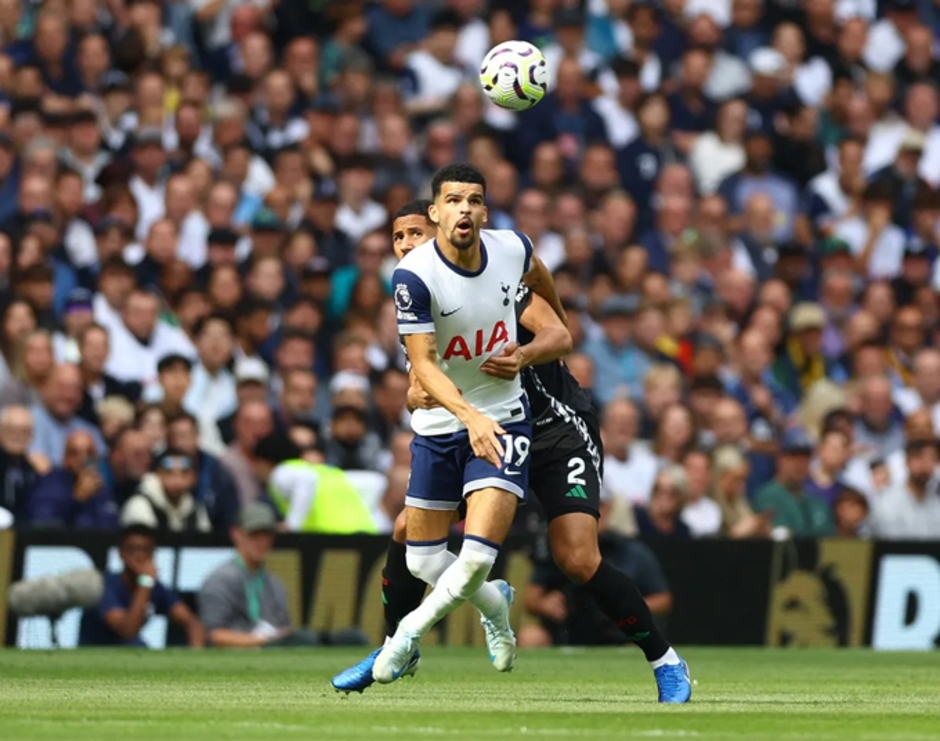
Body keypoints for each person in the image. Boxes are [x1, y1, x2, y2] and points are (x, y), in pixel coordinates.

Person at [336, 193, 690, 701]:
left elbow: (558, 333)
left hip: (553, 427)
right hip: (485, 427)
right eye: (398, 237)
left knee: (577, 557)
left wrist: (521, 356)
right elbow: (418, 387)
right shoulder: (416, 295)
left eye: (415, 233)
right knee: (406, 531)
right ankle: (398, 644)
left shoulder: (493, 284)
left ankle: (665, 661)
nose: (406, 245)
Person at [198, 503, 329, 648]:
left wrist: (279, 638)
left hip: (272, 651)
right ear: (236, 534)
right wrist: (263, 640)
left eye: (267, 535)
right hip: (237, 656)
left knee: (343, 638)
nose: (262, 542)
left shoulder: (275, 583)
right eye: (254, 535)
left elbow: (284, 629)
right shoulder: (220, 579)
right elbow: (215, 635)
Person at [78, 524, 205, 647]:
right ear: (121, 554)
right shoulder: (107, 584)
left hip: (128, 647)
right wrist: (145, 582)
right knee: (136, 646)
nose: (139, 556)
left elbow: (192, 623)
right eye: (132, 550)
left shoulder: (157, 588)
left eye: (146, 550)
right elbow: (127, 630)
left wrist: (196, 652)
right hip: (98, 649)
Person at [252, 431, 377, 534]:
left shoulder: (281, 472)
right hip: (366, 531)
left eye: (257, 464)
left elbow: (306, 480)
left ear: (265, 462)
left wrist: (291, 527)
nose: (255, 470)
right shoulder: (325, 470)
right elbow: (374, 483)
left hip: (334, 537)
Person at [27, 430, 119, 529]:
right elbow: (42, 525)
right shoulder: (49, 485)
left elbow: (113, 525)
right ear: (65, 457)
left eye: (89, 453)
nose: (83, 459)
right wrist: (77, 499)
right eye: (75, 453)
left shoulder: (101, 488)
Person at [753, 428, 834, 537]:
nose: (800, 463)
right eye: (793, 456)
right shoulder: (768, 495)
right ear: (779, 459)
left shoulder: (816, 501)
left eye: (805, 457)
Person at [121, 449, 212, 532]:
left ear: (194, 478)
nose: (177, 480)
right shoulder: (139, 505)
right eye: (169, 472)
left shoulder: (196, 508)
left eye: (184, 473)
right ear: (157, 474)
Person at [869, 440, 940, 539]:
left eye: (932, 459)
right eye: (919, 458)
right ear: (907, 462)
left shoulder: (936, 499)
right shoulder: (887, 501)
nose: (925, 465)